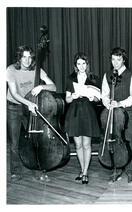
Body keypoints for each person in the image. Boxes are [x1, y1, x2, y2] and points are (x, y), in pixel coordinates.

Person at [6, 45, 56, 182]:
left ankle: (37, 169)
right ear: (19, 57)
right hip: (14, 107)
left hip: (31, 107)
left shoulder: (36, 69)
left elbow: (53, 86)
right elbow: (14, 94)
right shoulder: (11, 70)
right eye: (24, 57)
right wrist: (28, 104)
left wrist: (41, 86)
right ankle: (15, 171)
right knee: (15, 141)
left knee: (35, 138)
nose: (27, 61)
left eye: (30, 57)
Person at [101, 47, 132, 183]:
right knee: (114, 141)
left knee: (128, 141)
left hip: (126, 114)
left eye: (118, 59)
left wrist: (119, 103)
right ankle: (116, 169)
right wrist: (108, 103)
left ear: (123, 60)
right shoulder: (107, 75)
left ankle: (131, 171)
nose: (115, 62)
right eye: (113, 59)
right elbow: (104, 94)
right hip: (112, 113)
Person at [64, 52, 101, 184]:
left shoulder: (94, 78)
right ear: (75, 65)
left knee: (86, 144)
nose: (81, 66)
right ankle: (82, 169)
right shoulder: (70, 78)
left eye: (83, 63)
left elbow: (98, 98)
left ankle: (85, 172)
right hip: (74, 112)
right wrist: (72, 96)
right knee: (78, 145)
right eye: (79, 63)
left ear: (87, 64)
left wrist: (93, 97)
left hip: (88, 112)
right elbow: (67, 99)